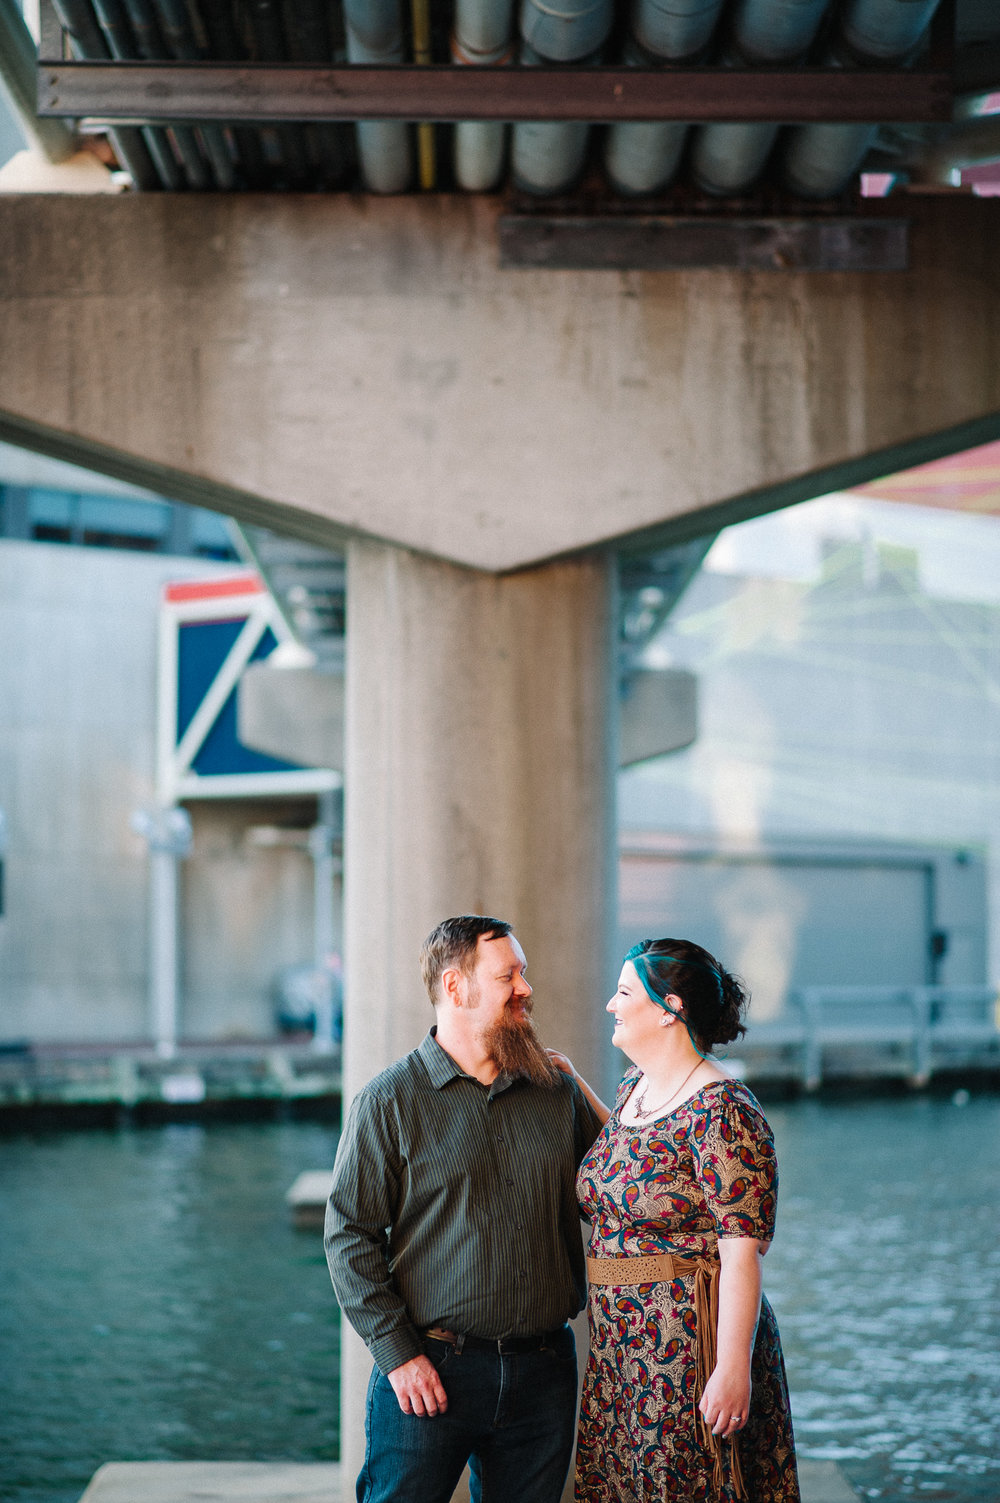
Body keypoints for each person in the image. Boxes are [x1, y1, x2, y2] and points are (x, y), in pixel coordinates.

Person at [325, 914, 604, 1503]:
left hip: (543, 1373)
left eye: (523, 973)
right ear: (455, 987)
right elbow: (349, 1237)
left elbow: (622, 1192)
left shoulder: (555, 1090)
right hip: (430, 1373)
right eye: (509, 976)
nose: (526, 989)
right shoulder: (387, 1100)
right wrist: (398, 1357)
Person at [554, 938, 800, 1503]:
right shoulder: (633, 1089)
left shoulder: (725, 1110)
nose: (610, 1006)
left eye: (622, 993)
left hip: (689, 1343)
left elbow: (742, 1252)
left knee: (688, 1486)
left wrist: (732, 1367)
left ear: (669, 1009)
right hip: (621, 1344)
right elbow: (634, 1161)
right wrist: (575, 1084)